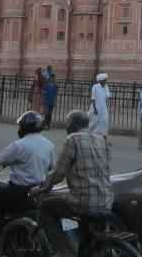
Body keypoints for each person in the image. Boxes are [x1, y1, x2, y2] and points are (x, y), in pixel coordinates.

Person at [0, 111, 55, 244]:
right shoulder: (49, 145)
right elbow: (50, 167)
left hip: (18, 191)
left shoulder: (19, 145)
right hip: (37, 191)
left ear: (24, 128)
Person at [38, 110, 114, 256]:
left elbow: (58, 173)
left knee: (46, 207)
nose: (66, 128)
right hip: (106, 199)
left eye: (67, 124)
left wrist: (43, 187)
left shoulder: (73, 139)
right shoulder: (101, 139)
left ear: (73, 125)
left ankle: (64, 251)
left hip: (83, 201)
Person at [89, 73, 110, 138]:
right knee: (94, 122)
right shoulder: (95, 87)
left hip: (103, 107)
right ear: (101, 80)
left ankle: (104, 137)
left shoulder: (106, 87)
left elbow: (107, 96)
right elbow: (93, 98)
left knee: (104, 121)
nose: (106, 81)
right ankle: (90, 135)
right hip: (96, 107)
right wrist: (95, 109)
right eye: (105, 80)